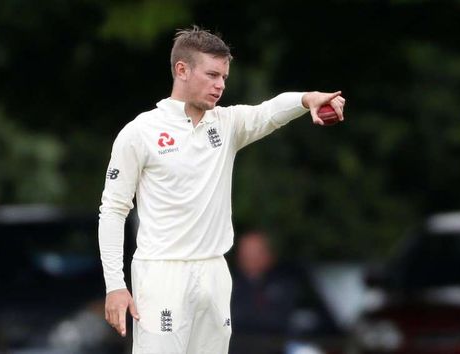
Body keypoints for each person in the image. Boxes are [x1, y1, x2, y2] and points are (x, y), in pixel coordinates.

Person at [98, 25, 345, 354]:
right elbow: (113, 211)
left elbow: (269, 111)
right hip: (162, 273)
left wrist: (307, 99)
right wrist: (115, 285)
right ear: (182, 70)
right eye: (212, 75)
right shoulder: (140, 132)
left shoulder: (226, 124)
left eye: (224, 77)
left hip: (214, 272)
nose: (220, 86)